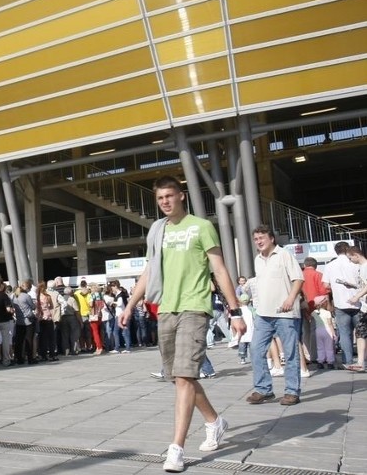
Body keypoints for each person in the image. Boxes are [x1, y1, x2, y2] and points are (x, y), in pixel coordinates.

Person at [119, 176, 244, 473]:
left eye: (170, 196)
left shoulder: (201, 227)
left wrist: (235, 311)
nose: (165, 202)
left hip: (194, 307)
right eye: (160, 198)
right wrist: (130, 304)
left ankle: (176, 449)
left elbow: (219, 269)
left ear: (182, 196)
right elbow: (150, 271)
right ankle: (215, 421)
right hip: (167, 309)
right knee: (178, 377)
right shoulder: (157, 230)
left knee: (185, 377)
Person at [248, 224, 304, 406]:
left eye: (262, 238)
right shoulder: (257, 259)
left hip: (285, 313)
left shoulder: (284, 255)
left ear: (271, 238)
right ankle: (263, 389)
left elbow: (298, 278)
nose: (259, 242)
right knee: (256, 349)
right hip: (263, 313)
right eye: (256, 239)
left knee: (290, 353)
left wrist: (290, 298)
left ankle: (292, 391)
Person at [322, 241, 360, 367]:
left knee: (344, 334)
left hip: (340, 303)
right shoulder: (355, 263)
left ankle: (347, 361)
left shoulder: (330, 266)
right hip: (358, 302)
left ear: (336, 251)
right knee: (361, 332)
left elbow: (325, 285)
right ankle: (362, 359)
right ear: (348, 249)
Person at [344, 246, 367, 371]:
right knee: (360, 333)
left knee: (360, 333)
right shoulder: (361, 268)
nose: (350, 260)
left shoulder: (365, 267)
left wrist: (356, 296)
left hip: (365, 306)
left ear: (356, 255)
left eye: (350, 257)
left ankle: (360, 361)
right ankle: (360, 361)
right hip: (364, 306)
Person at [13, 280, 37, 364]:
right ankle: (30, 358)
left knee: (19, 340)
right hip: (28, 320)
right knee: (29, 340)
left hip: (19, 320)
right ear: (28, 288)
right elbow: (33, 307)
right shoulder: (26, 296)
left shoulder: (14, 296)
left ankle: (19, 358)